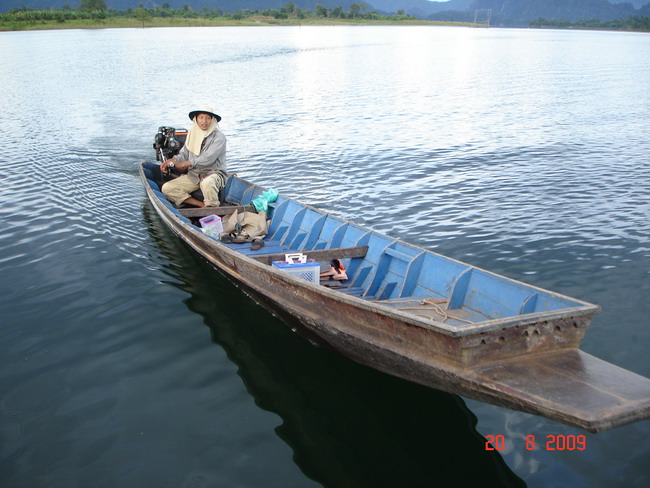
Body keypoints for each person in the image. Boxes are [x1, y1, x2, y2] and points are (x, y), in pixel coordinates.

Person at [160, 105, 227, 208]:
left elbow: (208, 158)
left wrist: (186, 164)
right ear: (196, 119)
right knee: (167, 188)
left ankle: (213, 209)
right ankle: (201, 205)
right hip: (194, 175)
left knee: (207, 183)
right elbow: (184, 154)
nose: (204, 121)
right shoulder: (192, 134)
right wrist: (171, 161)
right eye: (201, 117)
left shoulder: (219, 137)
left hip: (213, 173)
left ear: (212, 120)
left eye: (208, 118)